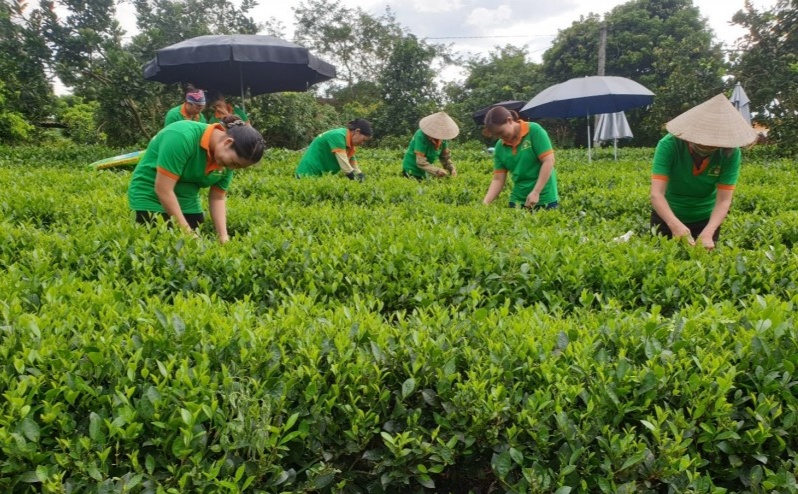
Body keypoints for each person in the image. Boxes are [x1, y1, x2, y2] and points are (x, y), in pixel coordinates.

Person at [128, 115, 265, 244]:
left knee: (194, 250)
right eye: (234, 163)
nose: (232, 168)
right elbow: (163, 189)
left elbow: (217, 198)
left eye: (238, 167)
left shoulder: (227, 162)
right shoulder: (182, 136)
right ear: (228, 142)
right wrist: (186, 232)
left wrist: (223, 236)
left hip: (188, 202)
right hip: (150, 197)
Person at [650, 93, 758, 250]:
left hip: (706, 219)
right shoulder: (669, 145)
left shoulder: (730, 153)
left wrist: (708, 232)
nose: (706, 148)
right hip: (667, 215)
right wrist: (675, 225)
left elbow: (724, 200)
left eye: (713, 145)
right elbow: (656, 194)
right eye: (702, 143)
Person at [482, 106, 558, 209]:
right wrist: (485, 203)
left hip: (544, 198)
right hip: (518, 200)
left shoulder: (534, 131)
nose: (500, 137)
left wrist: (536, 192)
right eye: (497, 135)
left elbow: (549, 161)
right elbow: (498, 180)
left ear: (509, 120)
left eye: (501, 132)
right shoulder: (500, 146)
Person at [295, 119, 372, 180]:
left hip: (320, 176)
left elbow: (351, 160)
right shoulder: (338, 136)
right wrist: (354, 179)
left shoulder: (349, 143)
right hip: (307, 173)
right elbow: (344, 164)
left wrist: (359, 174)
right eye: (363, 140)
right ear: (357, 131)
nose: (362, 143)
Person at [402, 111, 459, 180]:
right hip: (411, 170)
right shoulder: (421, 135)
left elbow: (444, 157)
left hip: (426, 171)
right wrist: (436, 171)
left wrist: (451, 169)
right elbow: (420, 162)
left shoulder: (443, 138)